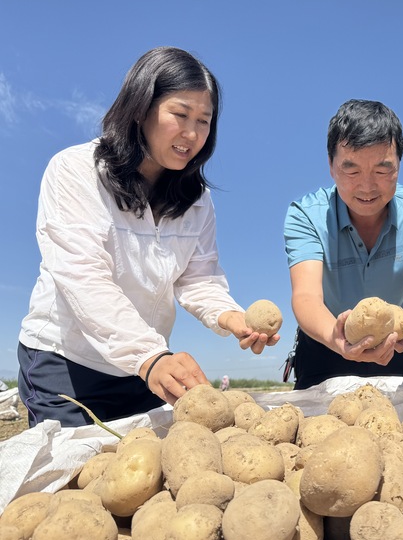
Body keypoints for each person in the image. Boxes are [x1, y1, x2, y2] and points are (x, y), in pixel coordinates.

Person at [18, 46, 279, 428]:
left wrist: (231, 317)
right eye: (180, 114)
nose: (192, 134)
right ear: (140, 108)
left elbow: (198, 277)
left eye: (204, 121)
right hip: (67, 363)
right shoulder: (75, 171)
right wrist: (150, 356)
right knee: (73, 481)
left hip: (143, 368)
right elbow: (83, 277)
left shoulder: (197, 200)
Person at [283, 99, 403, 390]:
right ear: (331, 166)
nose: (367, 187)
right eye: (352, 170)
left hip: (396, 345)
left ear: (399, 165)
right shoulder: (306, 214)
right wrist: (336, 337)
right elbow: (306, 296)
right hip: (325, 342)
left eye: (383, 170)